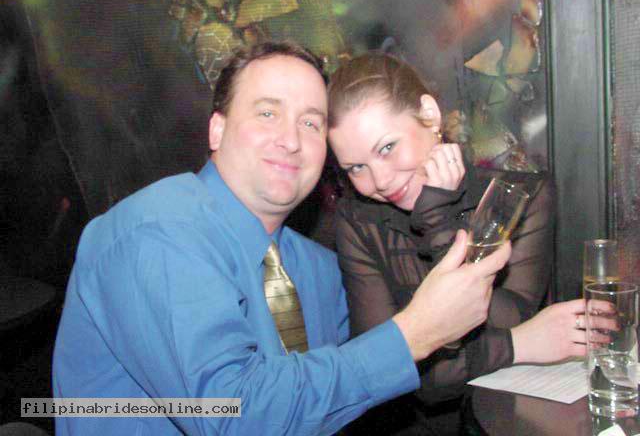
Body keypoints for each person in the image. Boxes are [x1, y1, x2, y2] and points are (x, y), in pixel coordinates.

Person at [52, 42, 511, 436]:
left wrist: (438, 214)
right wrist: (413, 334)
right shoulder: (158, 233)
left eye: (310, 123)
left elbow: (362, 382)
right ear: (217, 129)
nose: (291, 139)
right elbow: (232, 416)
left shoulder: (316, 268)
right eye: (268, 112)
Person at [326, 52, 588, 434]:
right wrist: (518, 344)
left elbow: (508, 317)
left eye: (386, 148)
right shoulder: (360, 221)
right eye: (356, 168)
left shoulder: (521, 196)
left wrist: (438, 222)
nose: (379, 180)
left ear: (430, 116)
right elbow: (399, 379)